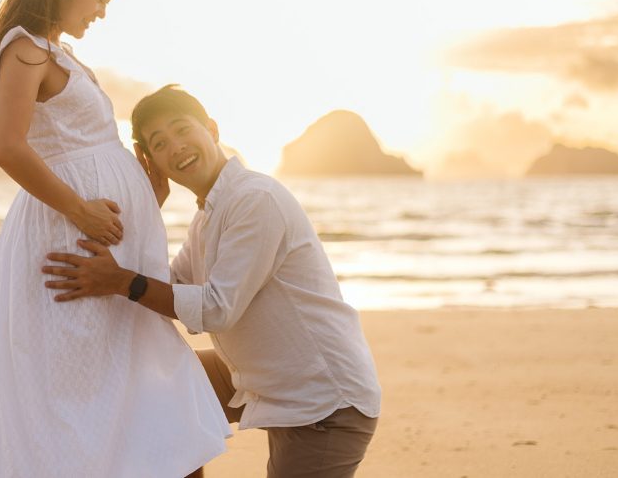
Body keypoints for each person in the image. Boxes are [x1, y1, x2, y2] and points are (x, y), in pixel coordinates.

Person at [0, 0, 228, 478]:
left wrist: (142, 200)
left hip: (95, 239)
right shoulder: (26, 49)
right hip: (68, 236)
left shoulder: (56, 53)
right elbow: (5, 147)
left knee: (133, 386)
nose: (103, 13)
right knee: (88, 396)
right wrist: (79, 210)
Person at [43, 85, 382, 478]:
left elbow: (215, 309)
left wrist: (121, 281)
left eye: (182, 129)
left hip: (323, 400)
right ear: (153, 162)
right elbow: (167, 282)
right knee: (162, 399)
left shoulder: (255, 199)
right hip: (260, 374)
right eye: (160, 143)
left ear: (212, 129)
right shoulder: (207, 216)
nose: (177, 146)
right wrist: (149, 207)